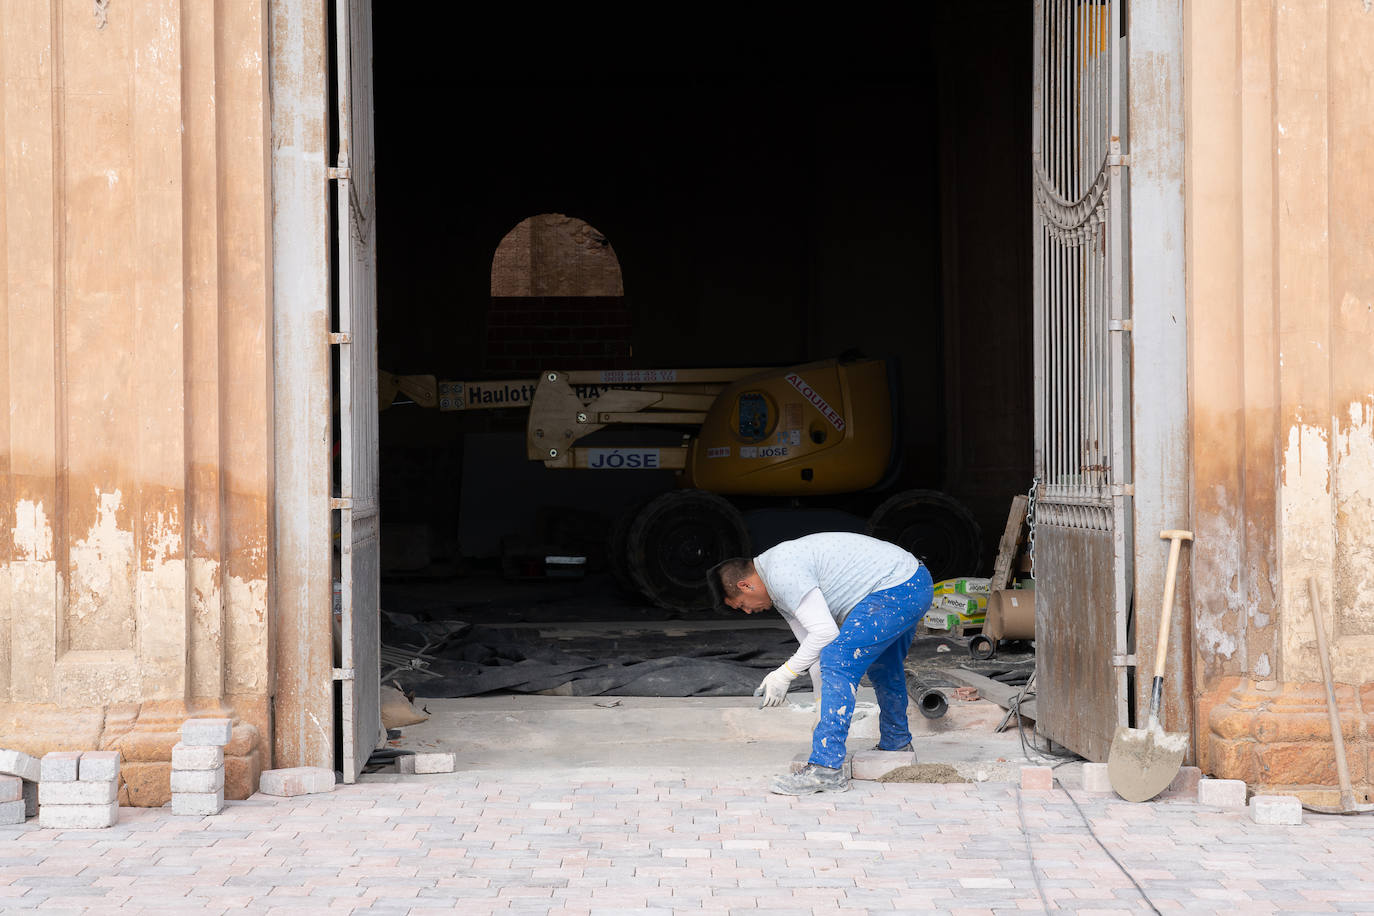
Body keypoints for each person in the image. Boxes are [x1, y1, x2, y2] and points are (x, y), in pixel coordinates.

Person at [707, 532, 933, 794]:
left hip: (899, 587)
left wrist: (784, 673)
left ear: (746, 586)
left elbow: (827, 636)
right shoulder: (778, 586)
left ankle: (826, 769)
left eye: (742, 605)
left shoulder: (781, 574)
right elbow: (814, 650)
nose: (747, 611)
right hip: (911, 583)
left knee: (839, 658)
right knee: (882, 664)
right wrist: (819, 707)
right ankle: (896, 744)